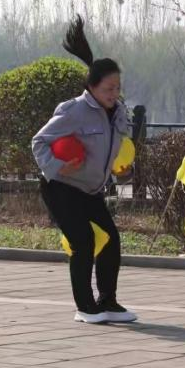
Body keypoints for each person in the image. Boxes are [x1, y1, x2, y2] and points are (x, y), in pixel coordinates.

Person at [32, 17, 138, 326]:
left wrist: (122, 169)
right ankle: (85, 307)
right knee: (84, 242)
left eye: (117, 88)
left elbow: (117, 148)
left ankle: (108, 301)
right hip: (61, 187)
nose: (114, 93)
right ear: (91, 87)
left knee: (111, 240)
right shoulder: (74, 111)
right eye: (108, 88)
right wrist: (57, 166)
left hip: (90, 190)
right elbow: (39, 141)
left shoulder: (118, 114)